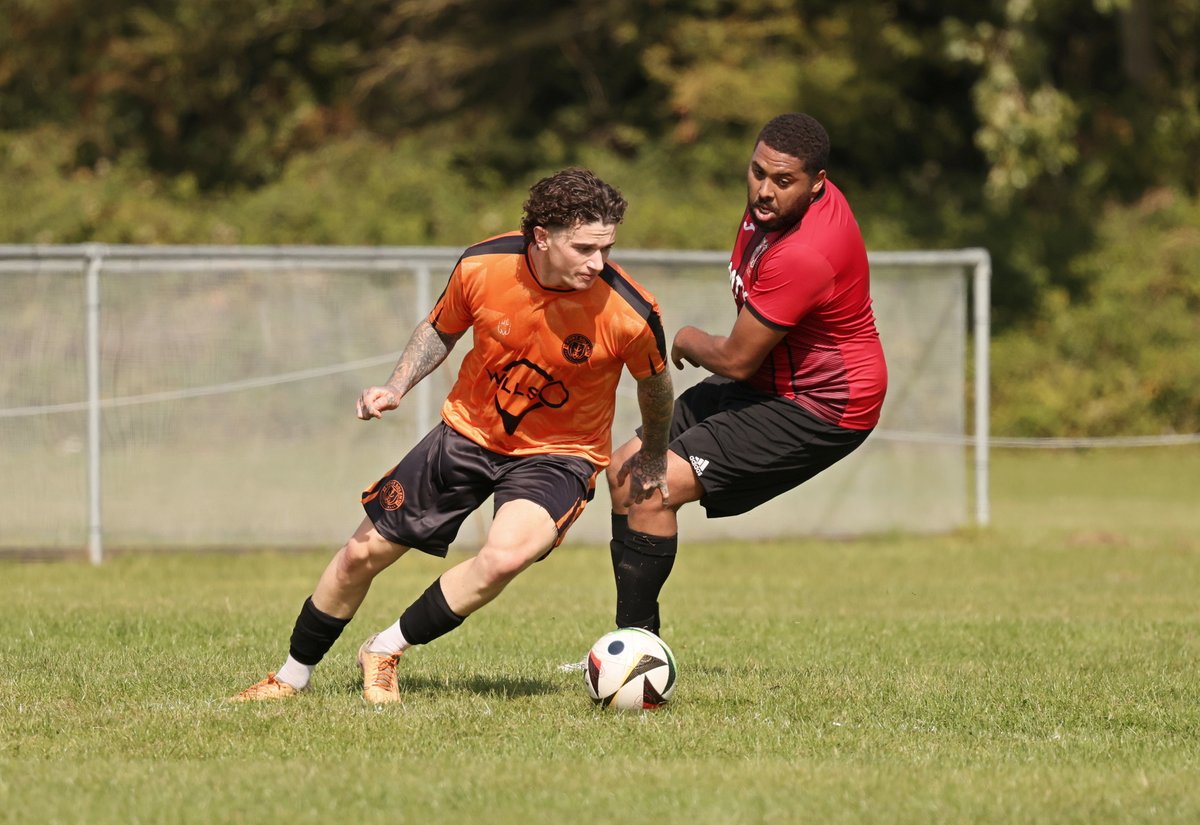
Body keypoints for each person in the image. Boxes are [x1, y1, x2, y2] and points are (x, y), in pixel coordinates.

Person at [231, 168, 674, 703]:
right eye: (583, 248)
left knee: (507, 555)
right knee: (359, 556)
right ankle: (290, 677)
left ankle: (385, 648)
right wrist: (396, 385)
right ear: (542, 237)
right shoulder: (483, 265)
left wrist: (652, 454)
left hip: (559, 455)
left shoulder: (629, 311)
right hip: (467, 432)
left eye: (605, 248)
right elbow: (440, 328)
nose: (597, 263)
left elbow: (655, 387)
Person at [606, 113, 887, 637]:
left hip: (823, 405)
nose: (764, 190)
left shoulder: (805, 251)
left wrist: (687, 337)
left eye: (783, 181)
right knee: (624, 471)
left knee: (652, 486)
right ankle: (624, 650)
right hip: (770, 381)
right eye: (757, 173)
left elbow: (736, 359)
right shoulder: (774, 206)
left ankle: (638, 655)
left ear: (817, 183)